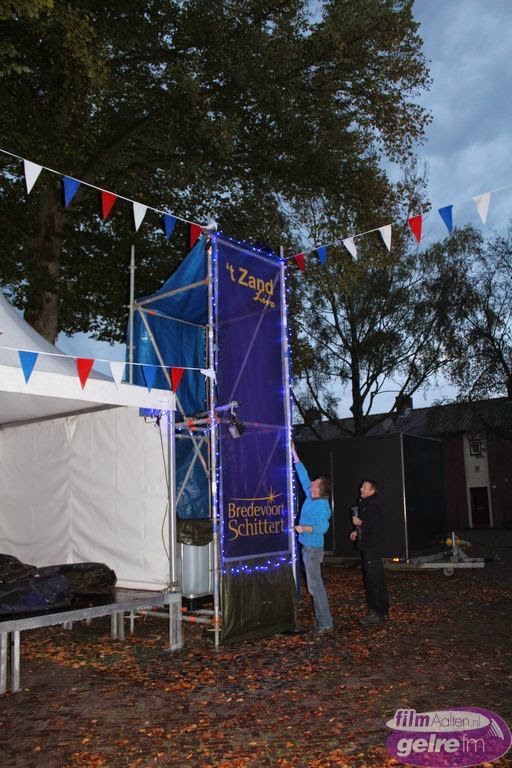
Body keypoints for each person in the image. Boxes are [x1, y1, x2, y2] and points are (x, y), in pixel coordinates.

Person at [291, 442, 333, 634]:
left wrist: (304, 528)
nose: (312, 483)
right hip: (307, 547)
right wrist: (294, 453)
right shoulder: (311, 495)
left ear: (319, 489)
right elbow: (303, 475)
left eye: (315, 483)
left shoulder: (322, 506)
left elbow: (323, 528)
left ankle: (325, 622)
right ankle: (324, 621)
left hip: (313, 550)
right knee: (313, 585)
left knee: (315, 586)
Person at [350, 479, 389, 626]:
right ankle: (382, 611)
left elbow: (376, 527)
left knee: (373, 580)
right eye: (362, 486)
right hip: (369, 547)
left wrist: (360, 523)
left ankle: (376, 612)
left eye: (364, 487)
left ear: (372, 490)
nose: (361, 488)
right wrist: (357, 532)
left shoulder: (373, 505)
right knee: (375, 578)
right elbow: (368, 525)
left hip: (372, 548)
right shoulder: (366, 504)